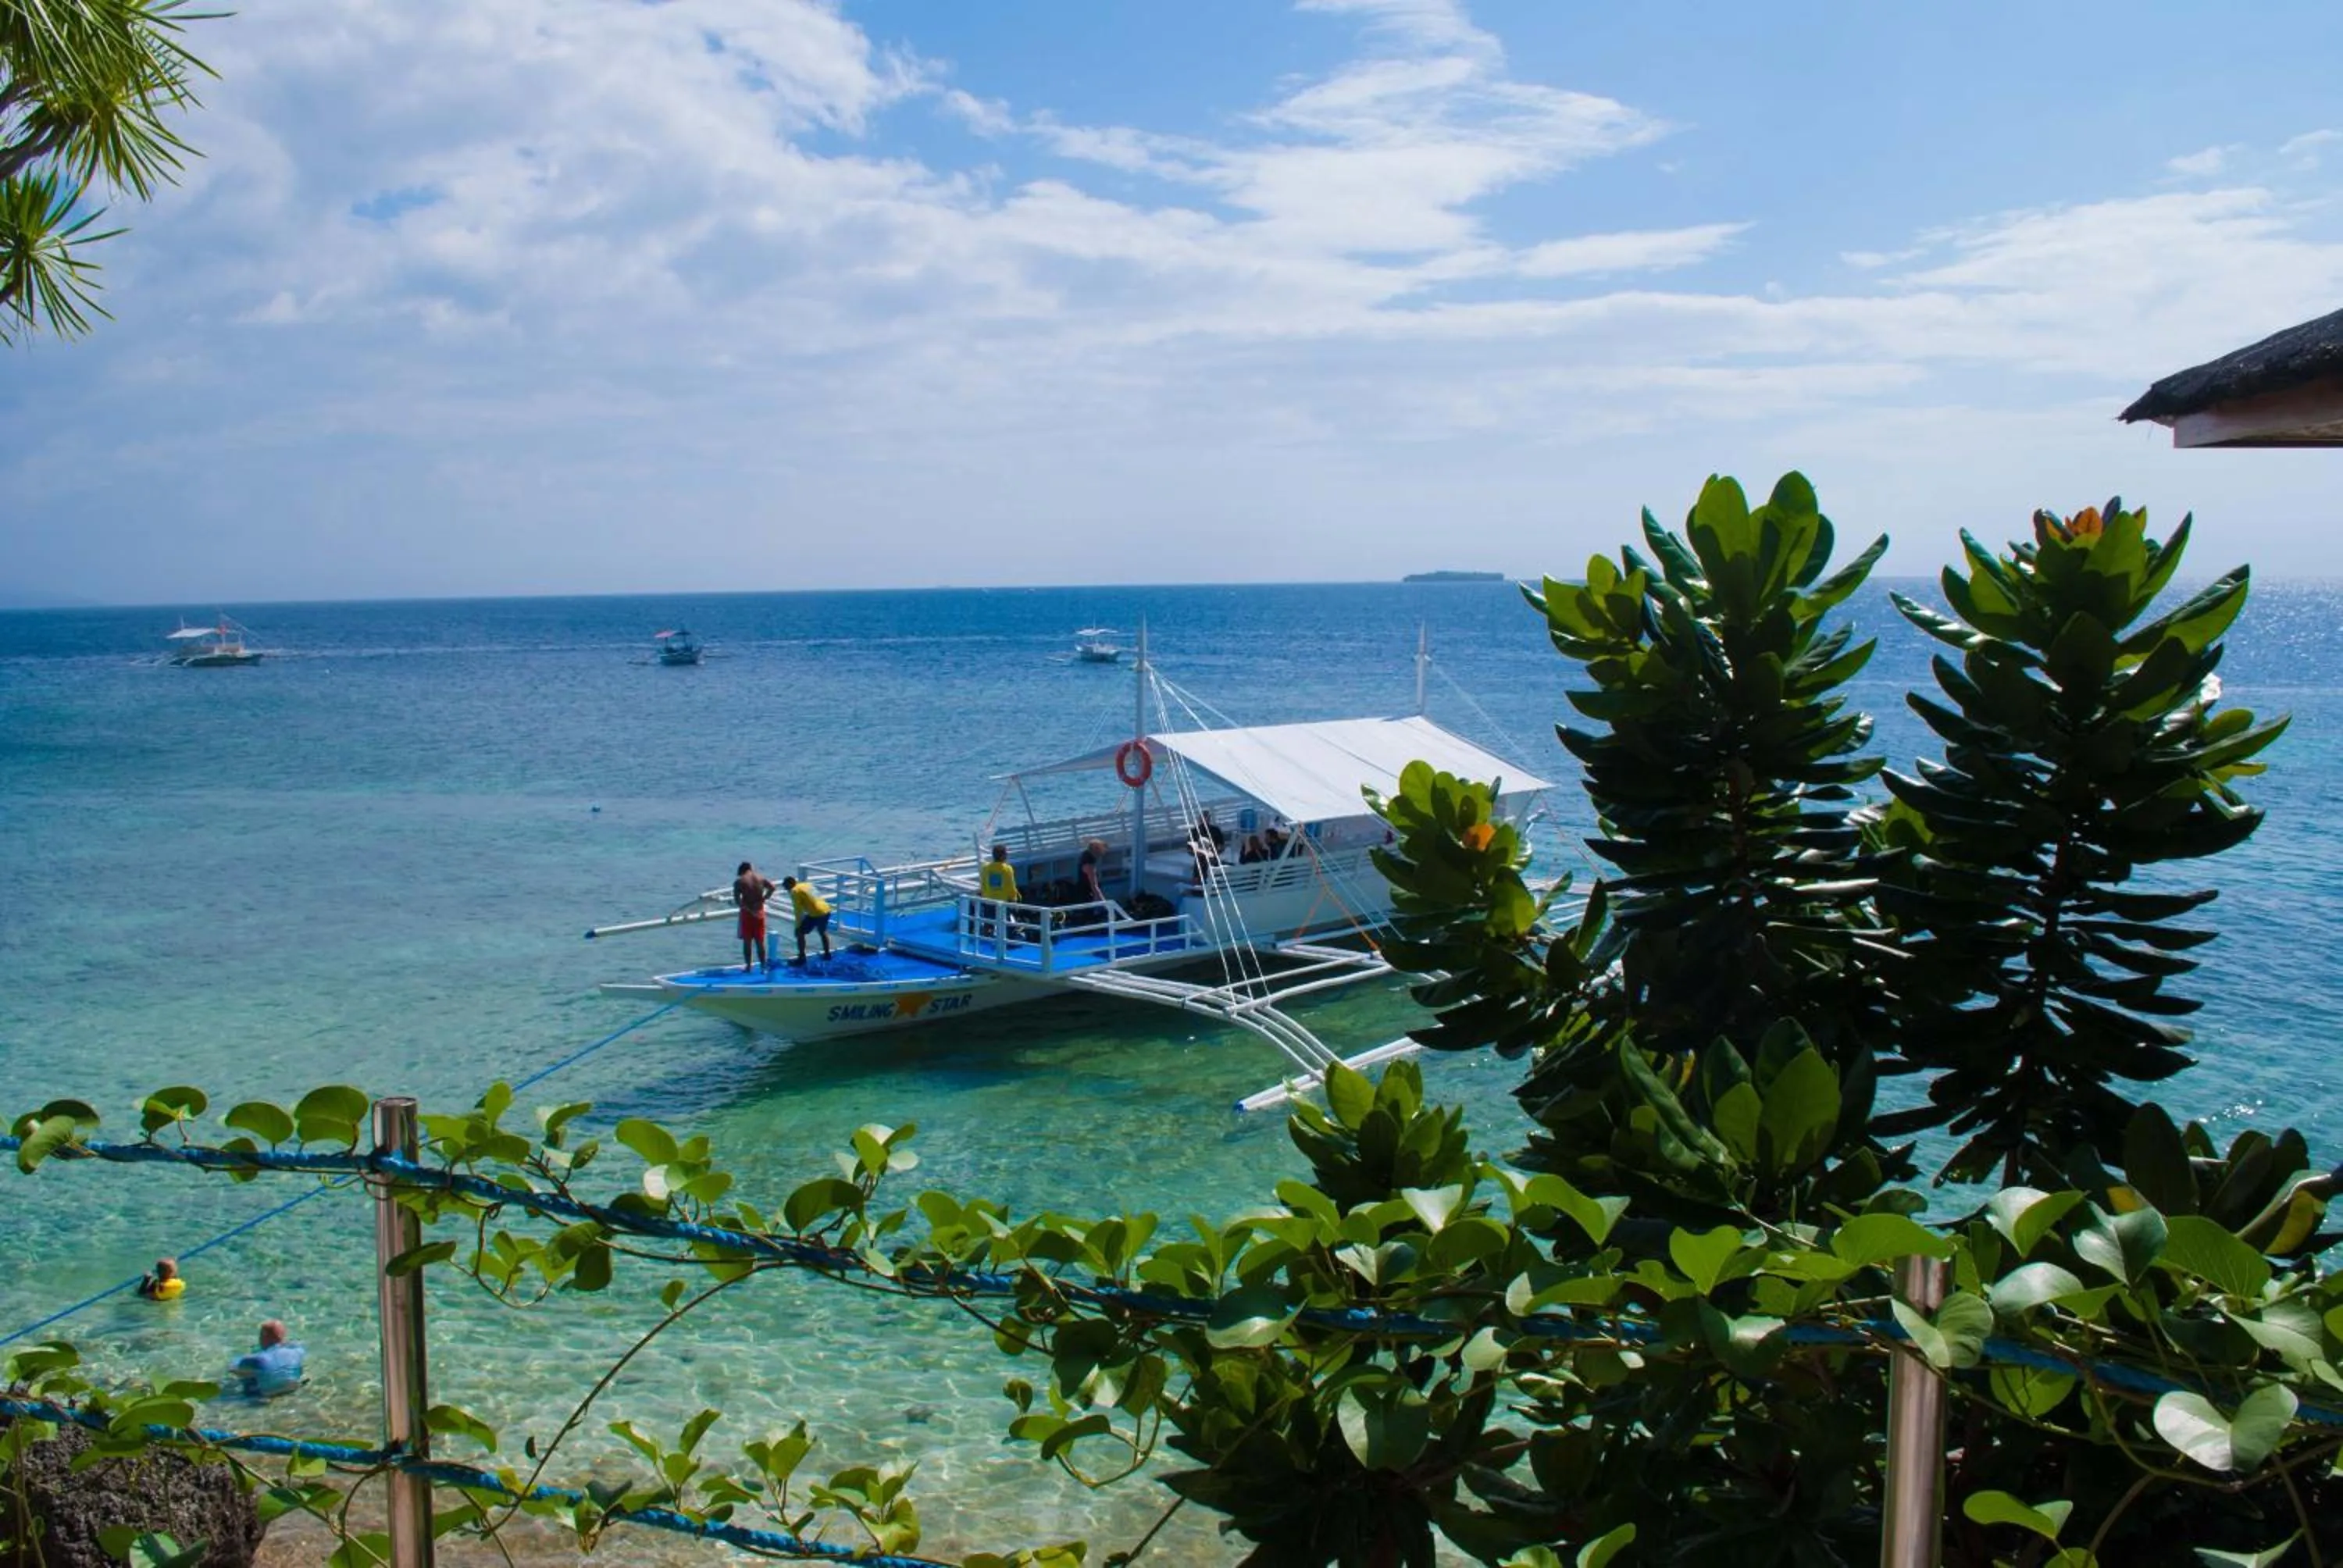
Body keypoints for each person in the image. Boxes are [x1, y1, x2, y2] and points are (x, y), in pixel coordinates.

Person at [228, 1320, 305, 1399]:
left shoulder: (256, 1359)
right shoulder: (298, 1351)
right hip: (291, 1390)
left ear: (263, 1336)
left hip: (264, 1397)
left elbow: (232, 1368)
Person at [733, 861, 776, 972]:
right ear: (751, 868)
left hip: (747, 913)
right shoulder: (761, 878)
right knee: (760, 941)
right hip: (759, 912)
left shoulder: (739, 881)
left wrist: (748, 909)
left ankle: (748, 967)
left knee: (747, 941)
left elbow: (737, 901)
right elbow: (772, 888)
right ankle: (763, 967)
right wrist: (764, 898)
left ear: (741, 870)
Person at [780, 875, 834, 962]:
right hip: (826, 909)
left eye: (785, 886)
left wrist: (797, 926)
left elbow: (798, 911)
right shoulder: (807, 885)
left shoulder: (795, 891)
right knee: (822, 931)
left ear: (790, 884)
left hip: (816, 913)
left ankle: (802, 957)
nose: (785, 888)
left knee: (800, 933)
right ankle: (827, 954)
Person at [1077, 839, 1108, 906]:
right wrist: (1105, 903)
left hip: (1084, 893)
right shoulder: (1089, 864)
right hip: (1086, 895)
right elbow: (1094, 885)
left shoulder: (1085, 857)